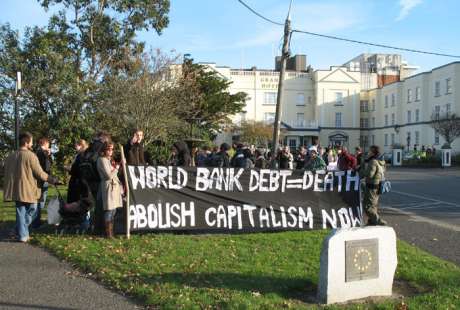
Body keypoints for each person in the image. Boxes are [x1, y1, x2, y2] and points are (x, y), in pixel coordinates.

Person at [4, 132, 58, 242]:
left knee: (21, 211)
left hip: (16, 188)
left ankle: (18, 230)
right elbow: (40, 173)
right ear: (27, 142)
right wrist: (52, 179)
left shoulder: (11, 156)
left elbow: (4, 170)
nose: (33, 144)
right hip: (28, 188)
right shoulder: (31, 156)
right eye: (31, 141)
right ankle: (23, 235)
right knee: (32, 209)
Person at [97, 142, 123, 238]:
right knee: (109, 210)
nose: (111, 151)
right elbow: (108, 176)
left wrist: (120, 165)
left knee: (113, 211)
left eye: (112, 149)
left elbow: (115, 174)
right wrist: (116, 168)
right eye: (109, 149)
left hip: (114, 188)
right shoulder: (102, 160)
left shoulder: (109, 160)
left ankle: (111, 232)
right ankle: (108, 234)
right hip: (108, 187)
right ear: (104, 150)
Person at [362, 145, 387, 226]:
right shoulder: (381, 162)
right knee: (373, 205)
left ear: (373, 152)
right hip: (378, 186)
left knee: (367, 206)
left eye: (369, 151)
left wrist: (362, 170)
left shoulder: (373, 162)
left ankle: (378, 220)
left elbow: (369, 174)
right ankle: (371, 221)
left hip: (371, 186)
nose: (368, 153)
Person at [32, 137, 52, 228]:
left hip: (42, 178)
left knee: (40, 200)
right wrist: (47, 156)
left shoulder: (41, 152)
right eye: (48, 143)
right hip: (42, 178)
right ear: (45, 143)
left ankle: (36, 220)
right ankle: (36, 221)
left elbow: (50, 163)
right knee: (40, 200)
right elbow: (46, 166)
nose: (49, 145)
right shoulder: (40, 152)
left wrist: (48, 155)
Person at [67, 139, 89, 203]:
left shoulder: (80, 156)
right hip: (83, 183)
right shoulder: (85, 155)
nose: (75, 147)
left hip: (77, 183)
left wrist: (68, 169)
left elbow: (76, 170)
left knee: (76, 203)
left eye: (76, 145)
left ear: (81, 145)